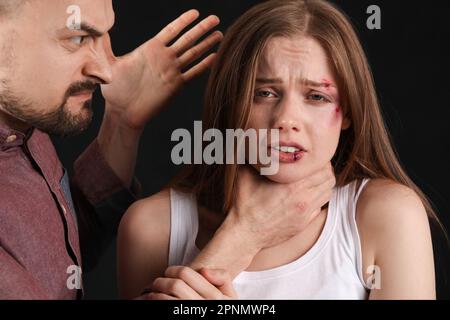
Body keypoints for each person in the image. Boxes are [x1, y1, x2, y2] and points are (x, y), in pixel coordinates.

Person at [0, 0, 333, 300]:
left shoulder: (21, 127)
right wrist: (243, 237)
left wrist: (122, 123)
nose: (106, 70)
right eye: (78, 38)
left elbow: (60, 249)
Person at [118, 0, 445, 299]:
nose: (286, 120)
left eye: (317, 97)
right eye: (264, 93)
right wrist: (244, 234)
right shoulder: (153, 228)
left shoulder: (385, 216)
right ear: (232, 104)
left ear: (347, 113)